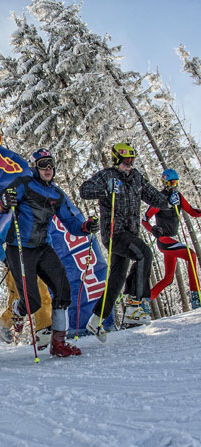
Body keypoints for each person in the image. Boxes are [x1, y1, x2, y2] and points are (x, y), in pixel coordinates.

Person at [0, 148, 96, 357]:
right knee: (33, 302)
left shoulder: (57, 194)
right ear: (34, 168)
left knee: (63, 289)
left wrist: (85, 227)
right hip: (19, 248)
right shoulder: (24, 185)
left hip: (42, 248)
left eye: (51, 164)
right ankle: (18, 312)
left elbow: (71, 223)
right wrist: (4, 203)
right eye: (43, 165)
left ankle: (59, 343)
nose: (48, 169)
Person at [80, 143, 173, 341]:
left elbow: (153, 196)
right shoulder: (107, 176)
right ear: (116, 160)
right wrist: (105, 189)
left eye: (132, 160)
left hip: (130, 232)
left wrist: (167, 200)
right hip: (115, 233)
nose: (129, 164)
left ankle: (96, 320)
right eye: (125, 160)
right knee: (144, 254)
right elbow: (84, 190)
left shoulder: (136, 177)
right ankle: (134, 304)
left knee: (118, 277)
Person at [142, 169, 201, 310]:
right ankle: (196, 296)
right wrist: (153, 229)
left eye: (176, 183)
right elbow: (145, 219)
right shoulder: (160, 199)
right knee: (191, 255)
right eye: (171, 183)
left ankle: (144, 300)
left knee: (168, 278)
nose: (174, 186)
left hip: (172, 240)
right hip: (164, 240)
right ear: (165, 183)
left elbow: (192, 212)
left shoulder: (178, 197)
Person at [0, 220, 53, 350]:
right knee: (18, 299)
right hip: (15, 267)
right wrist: (6, 259)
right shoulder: (13, 224)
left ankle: (43, 331)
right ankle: (5, 324)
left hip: (36, 267)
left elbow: (49, 245)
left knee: (43, 297)